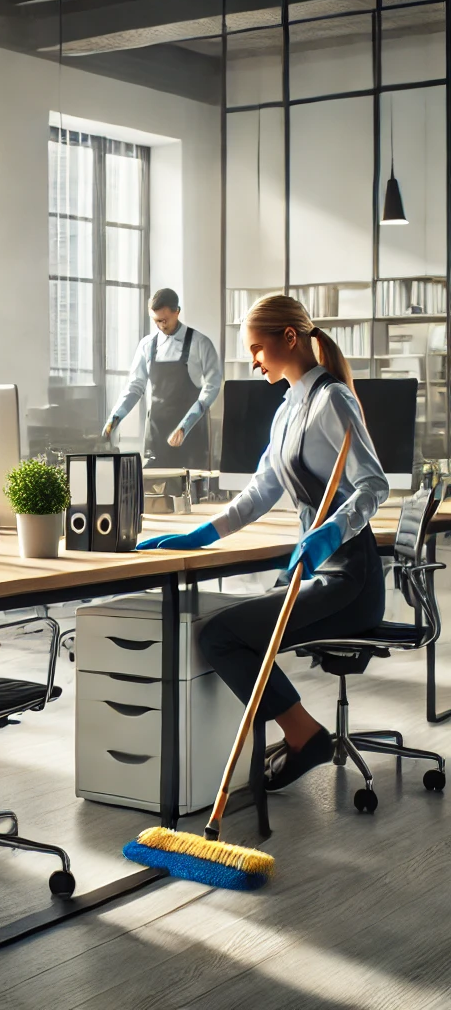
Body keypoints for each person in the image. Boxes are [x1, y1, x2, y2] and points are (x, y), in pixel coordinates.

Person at [138, 294, 388, 791]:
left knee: (222, 636)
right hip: (317, 574)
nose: (252, 360)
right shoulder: (289, 408)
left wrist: (330, 532)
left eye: (256, 348)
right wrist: (202, 535)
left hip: (349, 581)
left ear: (288, 338)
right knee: (224, 631)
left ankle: (303, 735)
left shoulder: (332, 399)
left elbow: (373, 484)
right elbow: (259, 492)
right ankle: (301, 735)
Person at [102, 287, 222, 469]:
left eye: (164, 320)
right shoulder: (147, 345)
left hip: (191, 435)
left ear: (177, 312)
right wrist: (114, 418)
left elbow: (212, 386)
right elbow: (135, 387)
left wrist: (185, 426)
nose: (160, 325)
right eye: (156, 321)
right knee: (154, 491)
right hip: (157, 434)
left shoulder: (200, 343)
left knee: (189, 492)